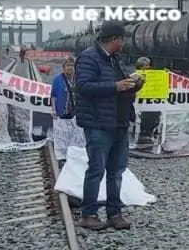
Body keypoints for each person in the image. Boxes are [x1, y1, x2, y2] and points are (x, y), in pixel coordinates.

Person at [74, 22, 142, 231]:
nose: (124, 43)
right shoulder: (89, 58)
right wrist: (116, 86)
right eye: (122, 39)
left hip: (118, 122)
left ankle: (114, 213)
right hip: (98, 123)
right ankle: (88, 214)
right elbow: (83, 86)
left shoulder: (114, 61)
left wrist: (134, 84)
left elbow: (120, 89)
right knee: (96, 169)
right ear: (115, 39)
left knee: (116, 171)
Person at [50, 56, 81, 162]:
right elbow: (53, 96)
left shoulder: (78, 80)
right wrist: (53, 110)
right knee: (61, 136)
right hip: (61, 113)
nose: (70, 68)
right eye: (67, 66)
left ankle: (74, 156)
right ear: (63, 68)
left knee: (75, 136)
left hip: (75, 113)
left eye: (72, 66)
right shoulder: (57, 80)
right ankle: (61, 158)